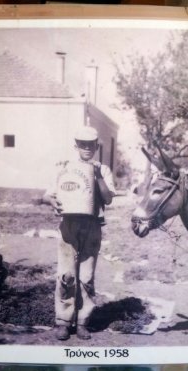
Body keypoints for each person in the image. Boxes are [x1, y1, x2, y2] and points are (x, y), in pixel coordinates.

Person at [43, 125, 115, 340]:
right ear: (76, 145)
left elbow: (108, 198)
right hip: (68, 225)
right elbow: (48, 195)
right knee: (67, 274)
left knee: (86, 275)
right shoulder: (65, 168)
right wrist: (52, 202)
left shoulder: (103, 169)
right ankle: (63, 321)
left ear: (96, 146)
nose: (86, 148)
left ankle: (83, 321)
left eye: (90, 144)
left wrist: (97, 175)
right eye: (82, 144)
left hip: (92, 226)